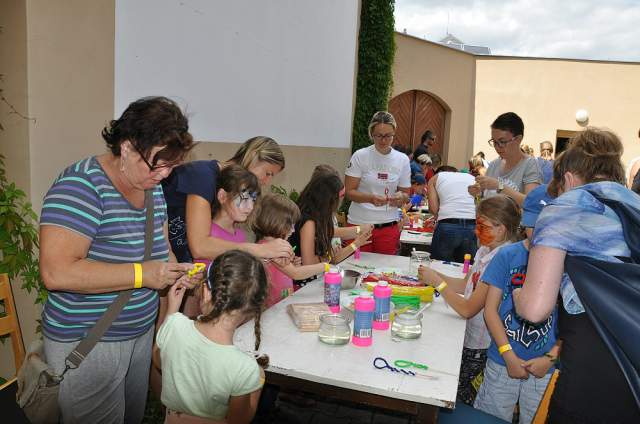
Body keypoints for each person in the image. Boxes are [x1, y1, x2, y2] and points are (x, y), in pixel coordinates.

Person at [38, 96, 201, 423]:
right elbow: (56, 272)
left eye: (172, 166)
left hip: (137, 334)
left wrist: (176, 272)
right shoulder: (81, 186)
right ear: (126, 147)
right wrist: (143, 275)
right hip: (89, 341)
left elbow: (161, 248)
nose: (164, 175)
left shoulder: (151, 187)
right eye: (158, 165)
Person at [513, 128, 640, 423]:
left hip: (593, 366)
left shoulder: (568, 208)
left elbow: (534, 309)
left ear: (568, 179)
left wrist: (519, 296)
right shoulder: (634, 206)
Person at [418, 195, 521, 405]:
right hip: (468, 333)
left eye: (482, 226)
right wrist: (432, 275)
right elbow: (464, 284)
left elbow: (467, 309)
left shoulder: (501, 259)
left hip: (480, 346)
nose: (475, 231)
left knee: (459, 394)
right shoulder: (485, 249)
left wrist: (438, 282)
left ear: (500, 229)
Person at [474, 185, 560, 423]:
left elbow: (574, 323)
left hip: (545, 367)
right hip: (502, 361)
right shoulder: (506, 255)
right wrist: (508, 354)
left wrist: (550, 358)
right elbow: (490, 311)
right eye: (532, 225)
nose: (537, 232)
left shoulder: (569, 261)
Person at [157, 250, 268, 423]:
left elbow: (158, 358)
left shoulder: (175, 325)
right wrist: (257, 382)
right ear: (254, 309)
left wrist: (172, 310)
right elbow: (239, 420)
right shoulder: (245, 368)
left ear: (206, 292)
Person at [162, 136, 292, 263]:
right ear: (253, 156)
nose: (267, 182)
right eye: (268, 173)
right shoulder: (203, 176)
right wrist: (258, 250)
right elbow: (200, 247)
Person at [344, 111, 411, 255]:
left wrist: (401, 197)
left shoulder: (402, 160)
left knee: (386, 266)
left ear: (394, 133)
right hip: (359, 224)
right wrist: (370, 198)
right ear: (371, 134)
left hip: (388, 226)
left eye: (388, 136)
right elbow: (349, 192)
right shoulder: (360, 156)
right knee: (355, 264)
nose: (383, 140)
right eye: (379, 135)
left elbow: (406, 194)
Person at [252, 194, 332, 307]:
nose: (293, 230)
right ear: (277, 223)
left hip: (283, 301)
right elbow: (295, 274)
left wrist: (292, 264)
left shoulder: (277, 245)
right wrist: (325, 266)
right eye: (291, 225)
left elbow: (286, 271)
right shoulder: (270, 249)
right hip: (272, 307)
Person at [291, 171, 372, 269]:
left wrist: (357, 240)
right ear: (328, 199)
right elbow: (308, 262)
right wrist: (329, 255)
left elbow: (333, 256)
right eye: (341, 196)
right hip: (306, 276)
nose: (341, 201)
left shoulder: (320, 216)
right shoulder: (309, 221)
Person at [468, 112, 542, 206]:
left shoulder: (530, 164)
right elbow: (481, 207)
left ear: (518, 139)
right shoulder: (494, 165)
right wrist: (477, 196)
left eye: (502, 142)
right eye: (494, 142)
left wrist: (499, 186)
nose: (497, 147)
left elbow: (531, 203)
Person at [194, 165, 260, 268]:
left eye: (253, 200)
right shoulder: (208, 234)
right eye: (245, 199)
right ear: (222, 196)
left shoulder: (240, 235)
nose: (251, 207)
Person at [427, 167, 478, 263]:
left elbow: (433, 209)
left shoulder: (434, 178)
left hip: (448, 224)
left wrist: (439, 215)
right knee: (465, 267)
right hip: (471, 224)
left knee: (440, 266)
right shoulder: (471, 177)